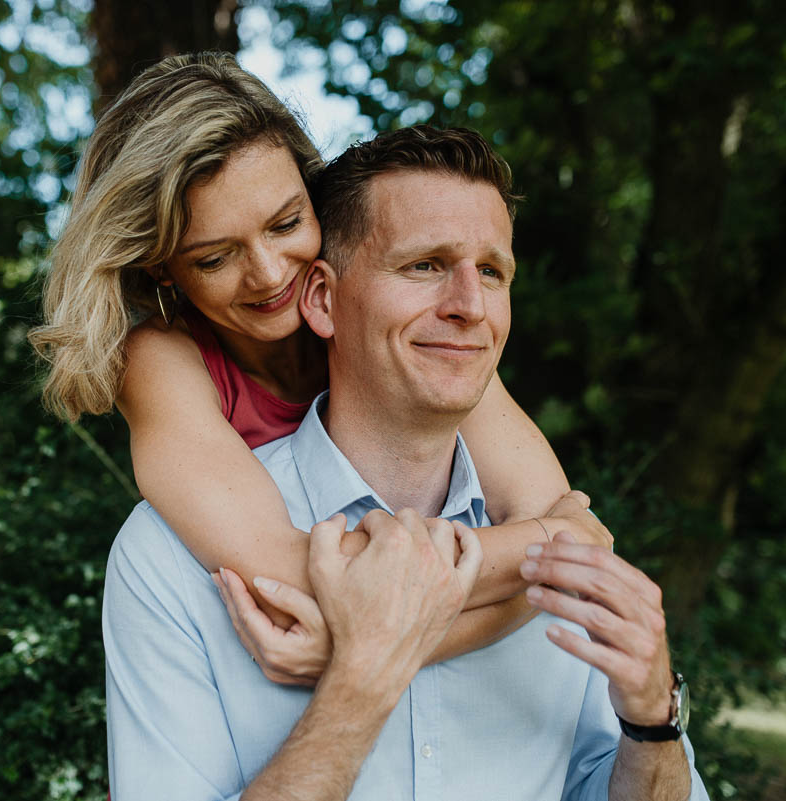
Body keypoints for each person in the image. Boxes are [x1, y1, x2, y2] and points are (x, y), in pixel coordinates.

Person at [101, 124, 710, 800]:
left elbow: (568, 541)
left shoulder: (539, 520)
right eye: (424, 265)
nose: (468, 306)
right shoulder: (169, 559)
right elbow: (556, 543)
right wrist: (360, 675)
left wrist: (654, 721)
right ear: (323, 298)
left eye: (492, 272)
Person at [29, 52, 610, 681]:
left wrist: (351, 655)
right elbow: (300, 577)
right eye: (215, 258)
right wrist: (544, 554)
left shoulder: (398, 327)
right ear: (160, 265)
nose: (271, 274)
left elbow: (576, 535)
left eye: (286, 224)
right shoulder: (160, 360)